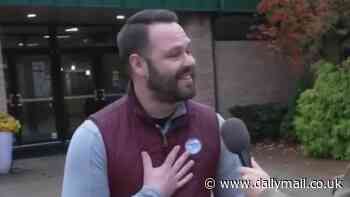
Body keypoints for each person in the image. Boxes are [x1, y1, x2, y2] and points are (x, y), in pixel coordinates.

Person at [61, 9, 266, 197]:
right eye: (175, 54)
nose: (190, 61)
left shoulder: (213, 125)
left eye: (188, 51)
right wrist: (152, 194)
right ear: (139, 65)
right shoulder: (94, 138)